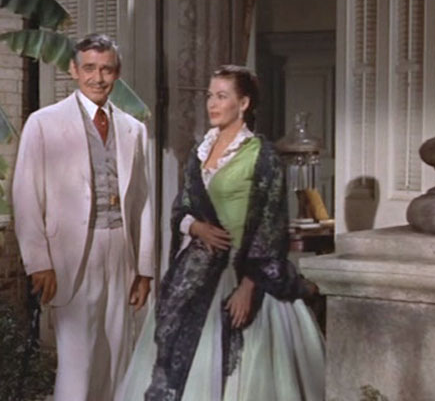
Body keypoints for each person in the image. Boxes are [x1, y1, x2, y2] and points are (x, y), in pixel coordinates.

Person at [116, 65, 324, 401]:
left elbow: (270, 227)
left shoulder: (262, 155)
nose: (212, 103)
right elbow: (182, 207)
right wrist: (196, 226)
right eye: (210, 96)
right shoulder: (201, 149)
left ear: (243, 103)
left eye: (222, 96)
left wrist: (248, 286)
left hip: (244, 273)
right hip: (198, 270)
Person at [12, 33, 154, 401]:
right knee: (78, 361)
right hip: (70, 253)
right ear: (74, 70)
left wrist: (144, 269)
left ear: (117, 73)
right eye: (89, 68)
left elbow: (142, 202)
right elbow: (26, 196)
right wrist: (38, 262)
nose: (98, 78)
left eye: (106, 69)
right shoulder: (43, 123)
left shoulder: (133, 129)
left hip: (120, 249)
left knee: (119, 355)